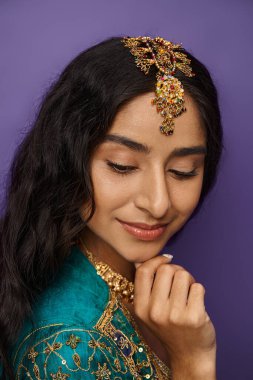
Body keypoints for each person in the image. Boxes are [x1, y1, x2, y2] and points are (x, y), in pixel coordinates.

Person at [0, 36, 223, 379]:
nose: (158, 203)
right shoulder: (69, 350)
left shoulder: (123, 274)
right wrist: (193, 361)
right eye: (122, 166)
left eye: (183, 171)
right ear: (68, 160)